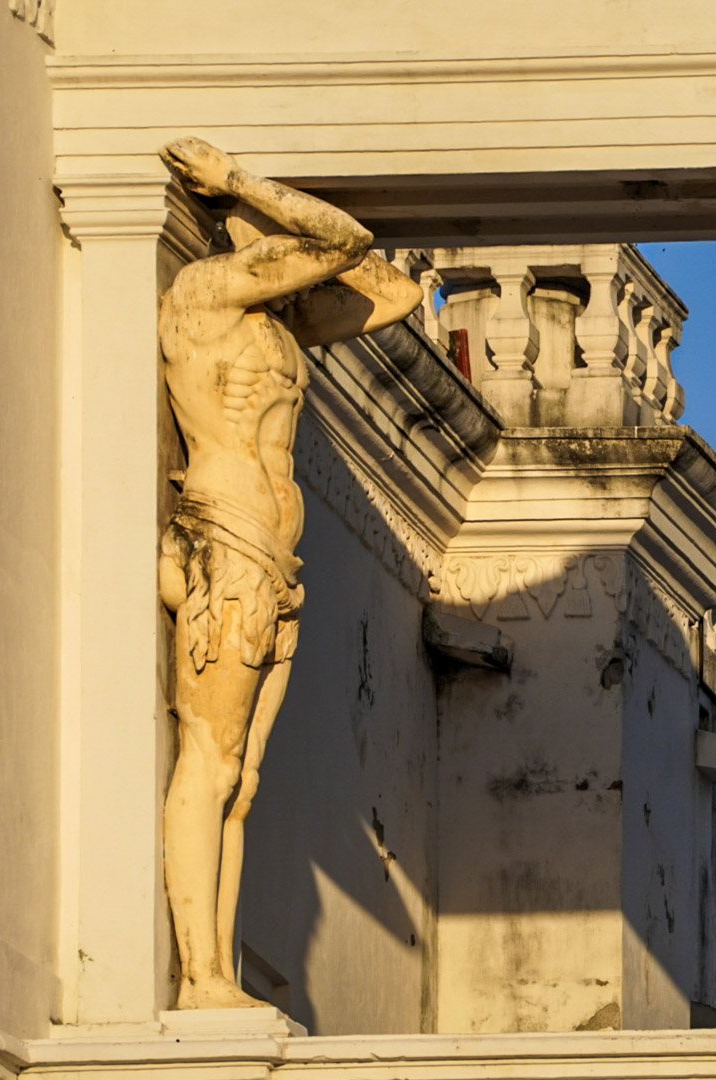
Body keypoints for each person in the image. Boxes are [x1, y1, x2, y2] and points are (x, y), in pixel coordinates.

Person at [156, 136, 423, 1008]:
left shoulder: (283, 327)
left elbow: (396, 289)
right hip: (228, 539)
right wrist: (239, 182)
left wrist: (264, 210)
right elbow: (343, 239)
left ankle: (216, 972)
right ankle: (198, 975)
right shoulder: (200, 298)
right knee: (211, 755)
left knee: (244, 781)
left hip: (276, 558)